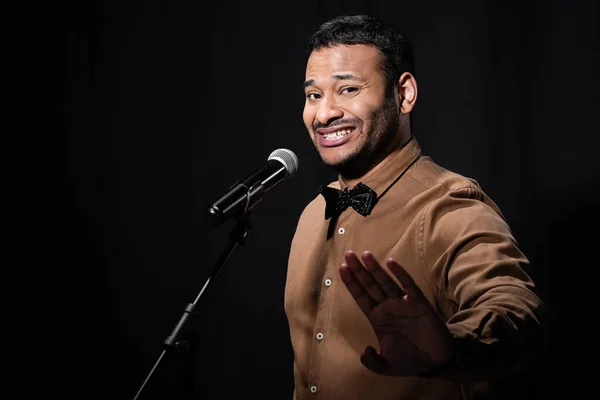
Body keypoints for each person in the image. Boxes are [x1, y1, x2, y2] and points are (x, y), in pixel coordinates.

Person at [284, 14, 547, 400]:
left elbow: (517, 308)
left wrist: (449, 348)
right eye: (314, 95)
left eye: (348, 89)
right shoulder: (312, 214)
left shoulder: (450, 204)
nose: (324, 114)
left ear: (404, 94)